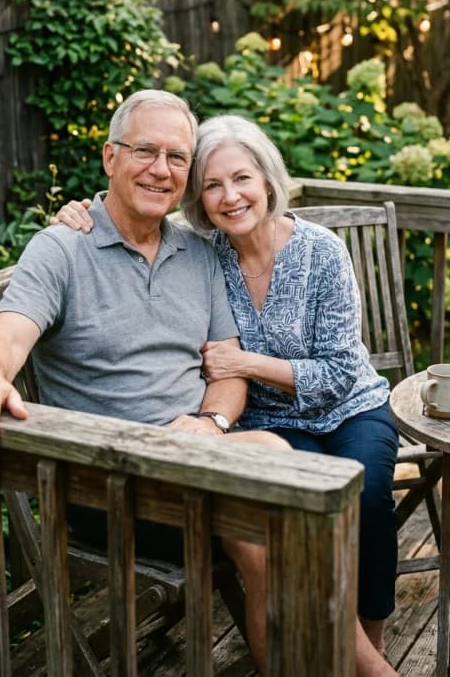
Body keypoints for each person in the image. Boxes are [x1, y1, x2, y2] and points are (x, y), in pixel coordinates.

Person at [0, 90, 290, 676]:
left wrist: (210, 424)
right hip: (105, 487)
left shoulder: (200, 254)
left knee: (289, 488)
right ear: (110, 158)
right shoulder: (62, 249)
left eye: (177, 158)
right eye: (145, 152)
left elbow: (228, 371)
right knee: (278, 492)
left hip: (196, 461)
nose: (161, 170)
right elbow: (8, 334)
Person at [54, 113, 400, 677]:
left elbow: (340, 370)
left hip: (348, 408)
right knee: (310, 512)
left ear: (267, 179)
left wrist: (246, 362)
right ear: (200, 198)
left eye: (241, 179)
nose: (230, 196)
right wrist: (78, 212)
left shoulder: (322, 251)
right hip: (269, 424)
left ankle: (369, 648)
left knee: (366, 497)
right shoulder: (201, 254)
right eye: (212, 185)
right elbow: (125, 214)